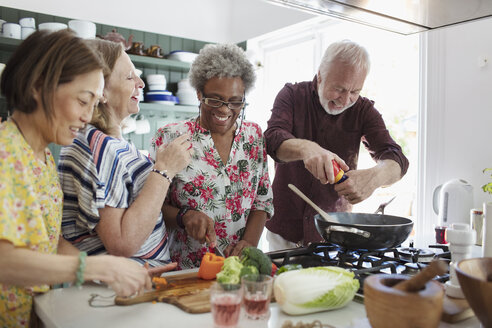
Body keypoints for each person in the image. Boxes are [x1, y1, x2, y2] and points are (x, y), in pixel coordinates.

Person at [0, 30, 153, 328]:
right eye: (83, 101)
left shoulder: (41, 157)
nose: (88, 116)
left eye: (95, 104)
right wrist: (96, 266)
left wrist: (113, 269)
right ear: (38, 87)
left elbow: (45, 240)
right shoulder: (6, 154)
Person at [58, 39, 193, 269]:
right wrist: (165, 170)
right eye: (130, 77)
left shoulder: (111, 142)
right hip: (117, 291)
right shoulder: (97, 145)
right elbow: (122, 243)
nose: (140, 83)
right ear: (100, 88)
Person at [264, 40, 409, 250]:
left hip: (334, 234)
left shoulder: (364, 111)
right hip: (284, 231)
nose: (345, 99)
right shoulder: (292, 95)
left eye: (354, 91)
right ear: (320, 76)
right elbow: (272, 138)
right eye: (339, 89)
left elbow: (397, 159)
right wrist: (308, 149)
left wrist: (375, 177)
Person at [150, 44, 274, 269]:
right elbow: (152, 204)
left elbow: (261, 201)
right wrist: (184, 217)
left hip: (241, 267)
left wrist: (249, 243)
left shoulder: (254, 136)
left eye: (236, 101)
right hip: (186, 270)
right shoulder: (171, 137)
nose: (225, 110)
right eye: (215, 100)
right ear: (199, 93)